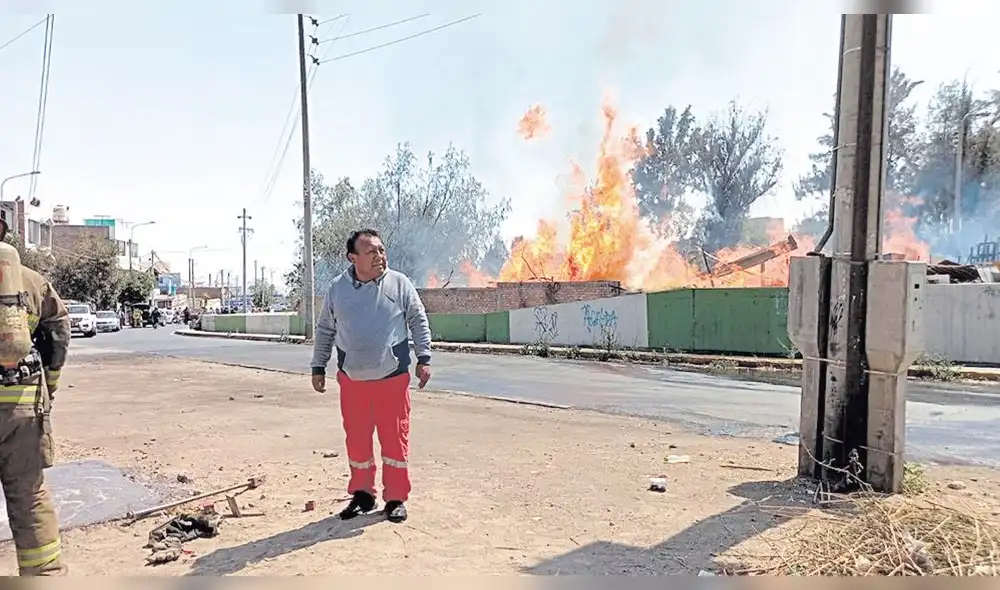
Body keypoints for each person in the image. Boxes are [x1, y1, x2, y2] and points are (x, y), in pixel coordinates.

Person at [310, 228, 432, 524]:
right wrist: (318, 365)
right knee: (357, 441)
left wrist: (424, 358)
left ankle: (395, 498)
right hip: (352, 381)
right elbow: (325, 329)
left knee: (394, 441)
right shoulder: (337, 289)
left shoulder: (399, 284)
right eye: (371, 251)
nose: (379, 255)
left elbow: (418, 320)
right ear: (353, 258)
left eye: (381, 249)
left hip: (392, 378)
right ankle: (363, 494)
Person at [0, 218, 70, 575]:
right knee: (29, 494)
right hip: (22, 404)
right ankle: (45, 576)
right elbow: (58, 332)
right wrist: (49, 386)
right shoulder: (30, 280)